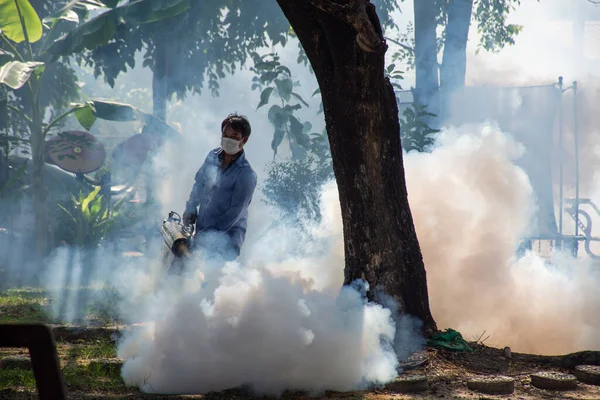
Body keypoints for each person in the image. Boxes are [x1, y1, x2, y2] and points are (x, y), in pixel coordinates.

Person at [182, 113, 257, 262]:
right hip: (202, 233)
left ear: (244, 140)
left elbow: (234, 213)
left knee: (213, 281)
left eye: (234, 136)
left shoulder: (246, 174)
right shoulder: (213, 156)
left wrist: (209, 238)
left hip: (226, 242)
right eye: (225, 134)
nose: (228, 139)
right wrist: (190, 208)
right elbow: (199, 183)